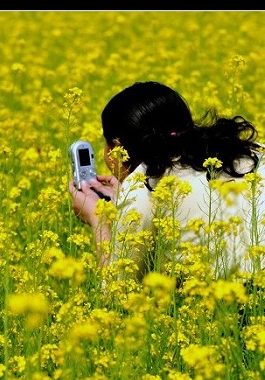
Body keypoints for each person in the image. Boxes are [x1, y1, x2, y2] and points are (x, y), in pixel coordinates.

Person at [68, 80, 265, 282]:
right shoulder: (249, 150)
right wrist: (125, 201)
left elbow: (115, 294)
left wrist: (99, 221)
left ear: (117, 147)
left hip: (241, 305)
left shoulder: (146, 187)